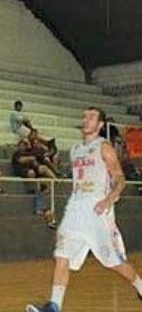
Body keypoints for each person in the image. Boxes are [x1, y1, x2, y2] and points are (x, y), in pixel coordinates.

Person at [26, 107, 142, 312]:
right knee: (62, 254)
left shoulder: (104, 147)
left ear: (100, 125)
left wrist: (109, 200)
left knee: (113, 262)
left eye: (91, 117)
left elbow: (120, 178)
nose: (86, 119)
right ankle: (54, 306)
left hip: (97, 210)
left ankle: (140, 287)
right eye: (84, 116)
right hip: (75, 208)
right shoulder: (75, 150)